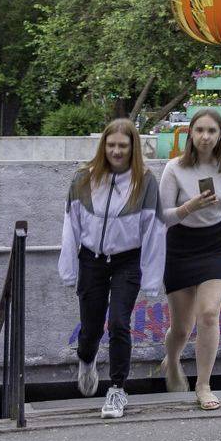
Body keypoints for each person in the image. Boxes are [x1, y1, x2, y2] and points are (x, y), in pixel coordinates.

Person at [59, 118, 166, 419]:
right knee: (91, 328)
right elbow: (70, 226)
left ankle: (117, 389)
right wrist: (68, 270)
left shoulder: (145, 182)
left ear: (133, 148)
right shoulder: (83, 179)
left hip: (127, 261)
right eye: (111, 145)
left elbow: (154, 231)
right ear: (103, 146)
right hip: (91, 260)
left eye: (123, 145)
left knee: (119, 323)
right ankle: (86, 358)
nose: (116, 151)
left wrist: (152, 279)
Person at [159, 108, 221, 411]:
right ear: (190, 134)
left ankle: (204, 385)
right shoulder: (174, 168)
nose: (205, 136)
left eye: (211, 131)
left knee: (208, 314)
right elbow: (162, 216)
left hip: (214, 246)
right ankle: (171, 361)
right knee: (181, 328)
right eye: (199, 130)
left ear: (220, 135)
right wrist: (190, 206)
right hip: (179, 247)